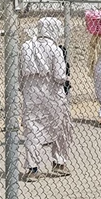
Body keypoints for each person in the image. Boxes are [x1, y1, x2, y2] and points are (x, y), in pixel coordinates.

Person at [19, 17, 73, 182]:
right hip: (52, 93)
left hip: (31, 92)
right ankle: (59, 163)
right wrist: (66, 79)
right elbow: (58, 76)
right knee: (61, 126)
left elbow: (19, 72)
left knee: (33, 128)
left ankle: (32, 168)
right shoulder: (55, 49)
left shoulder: (26, 46)